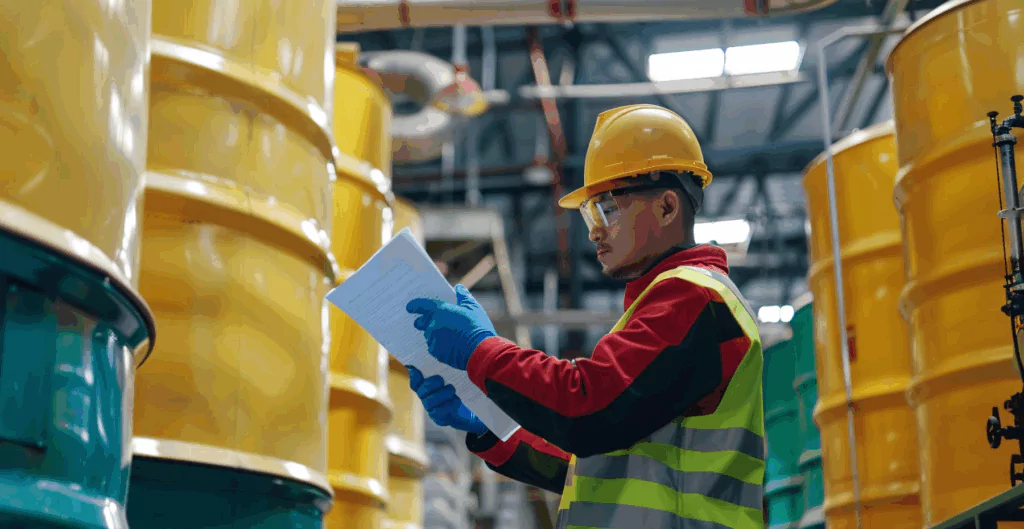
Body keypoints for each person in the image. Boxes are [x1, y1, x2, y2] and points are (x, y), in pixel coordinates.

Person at [404, 104, 765, 529]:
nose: (593, 231)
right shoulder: (668, 307)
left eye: (608, 210)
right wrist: (490, 425)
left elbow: (585, 408)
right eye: (590, 214)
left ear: (668, 207)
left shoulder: (693, 298)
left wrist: (481, 351)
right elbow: (584, 464)